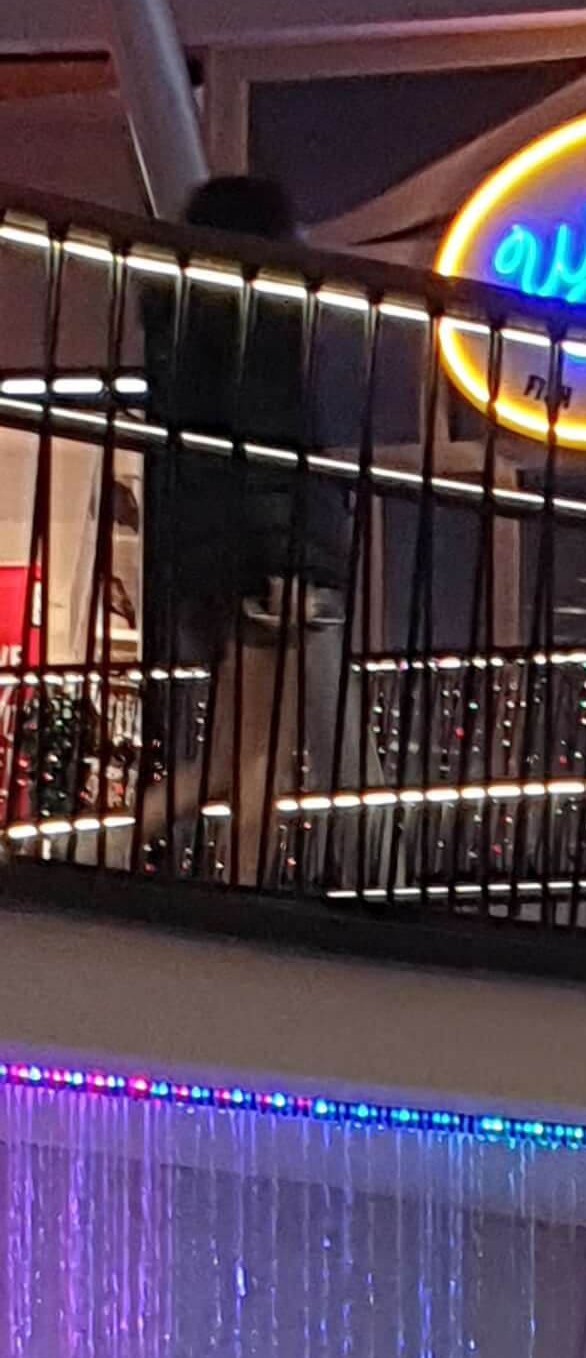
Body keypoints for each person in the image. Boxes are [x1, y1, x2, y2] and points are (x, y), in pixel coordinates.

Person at [139, 173, 358, 886]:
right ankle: (243, 893)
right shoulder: (264, 317)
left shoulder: (179, 311)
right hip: (270, 545)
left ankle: (87, 852)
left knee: (230, 754)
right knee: (260, 752)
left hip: (210, 547)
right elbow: (273, 439)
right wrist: (289, 551)